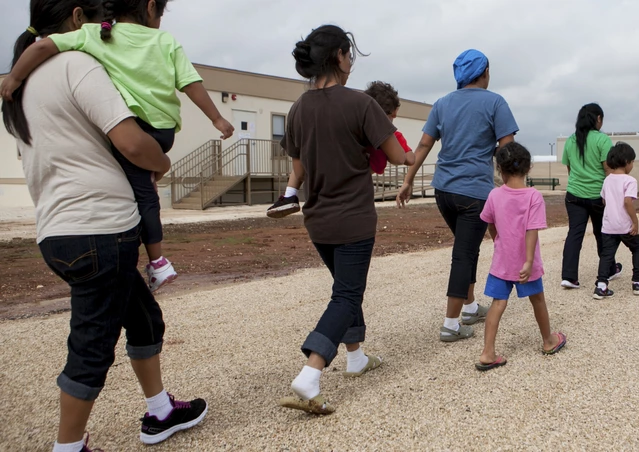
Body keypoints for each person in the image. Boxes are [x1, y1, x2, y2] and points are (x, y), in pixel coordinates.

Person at [1, 1, 208, 449]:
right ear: (77, 19)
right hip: (100, 227)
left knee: (144, 318)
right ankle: (68, 446)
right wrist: (163, 161)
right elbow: (132, 142)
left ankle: (160, 412)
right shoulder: (77, 64)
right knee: (92, 345)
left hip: (56, 230)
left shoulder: (20, 88)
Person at [1, 0, 235, 293]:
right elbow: (190, 83)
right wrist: (217, 118)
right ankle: (152, 262)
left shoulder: (95, 35)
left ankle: (158, 262)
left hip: (135, 133)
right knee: (145, 193)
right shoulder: (165, 40)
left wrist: (14, 78)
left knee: (143, 195)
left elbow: (41, 47)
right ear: (151, 8)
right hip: (162, 132)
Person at [277, 25, 414, 415]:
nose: (351, 62)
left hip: (317, 220)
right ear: (338, 56)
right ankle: (310, 374)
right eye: (349, 55)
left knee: (344, 287)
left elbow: (298, 166)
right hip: (353, 218)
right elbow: (394, 156)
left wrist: (288, 194)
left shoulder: (298, 108)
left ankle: (355, 357)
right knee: (347, 295)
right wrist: (412, 153)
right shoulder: (359, 104)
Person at [396, 49, 519, 342]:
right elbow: (507, 149)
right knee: (464, 254)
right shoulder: (495, 102)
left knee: (468, 248)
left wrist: (407, 180)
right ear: (484, 72)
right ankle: (450, 325)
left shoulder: (442, 103)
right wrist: (510, 188)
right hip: (474, 191)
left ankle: (470, 308)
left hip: (444, 191)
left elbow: (424, 145)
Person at [476, 142, 566, 371]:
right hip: (527, 263)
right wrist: (527, 261)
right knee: (538, 300)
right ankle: (548, 341)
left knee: (498, 303)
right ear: (528, 168)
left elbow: (490, 224)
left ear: (499, 169)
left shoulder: (494, 195)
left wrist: (499, 240)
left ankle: (488, 352)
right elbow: (531, 230)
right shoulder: (533, 196)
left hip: (502, 261)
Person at [266, 81, 413, 219]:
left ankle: (290, 195)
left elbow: (407, 158)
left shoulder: (382, 132)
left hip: (348, 173)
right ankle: (290, 195)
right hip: (350, 177)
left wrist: (403, 155)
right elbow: (401, 158)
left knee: (304, 161)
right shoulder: (378, 131)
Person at [559, 103, 622, 291]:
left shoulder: (571, 140)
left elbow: (570, 169)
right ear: (599, 119)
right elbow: (608, 170)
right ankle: (609, 269)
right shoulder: (602, 140)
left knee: (574, 234)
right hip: (597, 196)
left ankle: (569, 277)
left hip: (574, 195)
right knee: (603, 234)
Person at [596, 143, 639, 298]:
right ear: (627, 162)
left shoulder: (607, 180)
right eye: (633, 162)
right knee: (637, 249)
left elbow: (604, 201)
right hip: (625, 225)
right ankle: (637, 281)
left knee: (606, 255)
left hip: (609, 226)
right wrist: (635, 221)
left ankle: (601, 285)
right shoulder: (630, 181)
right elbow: (627, 202)